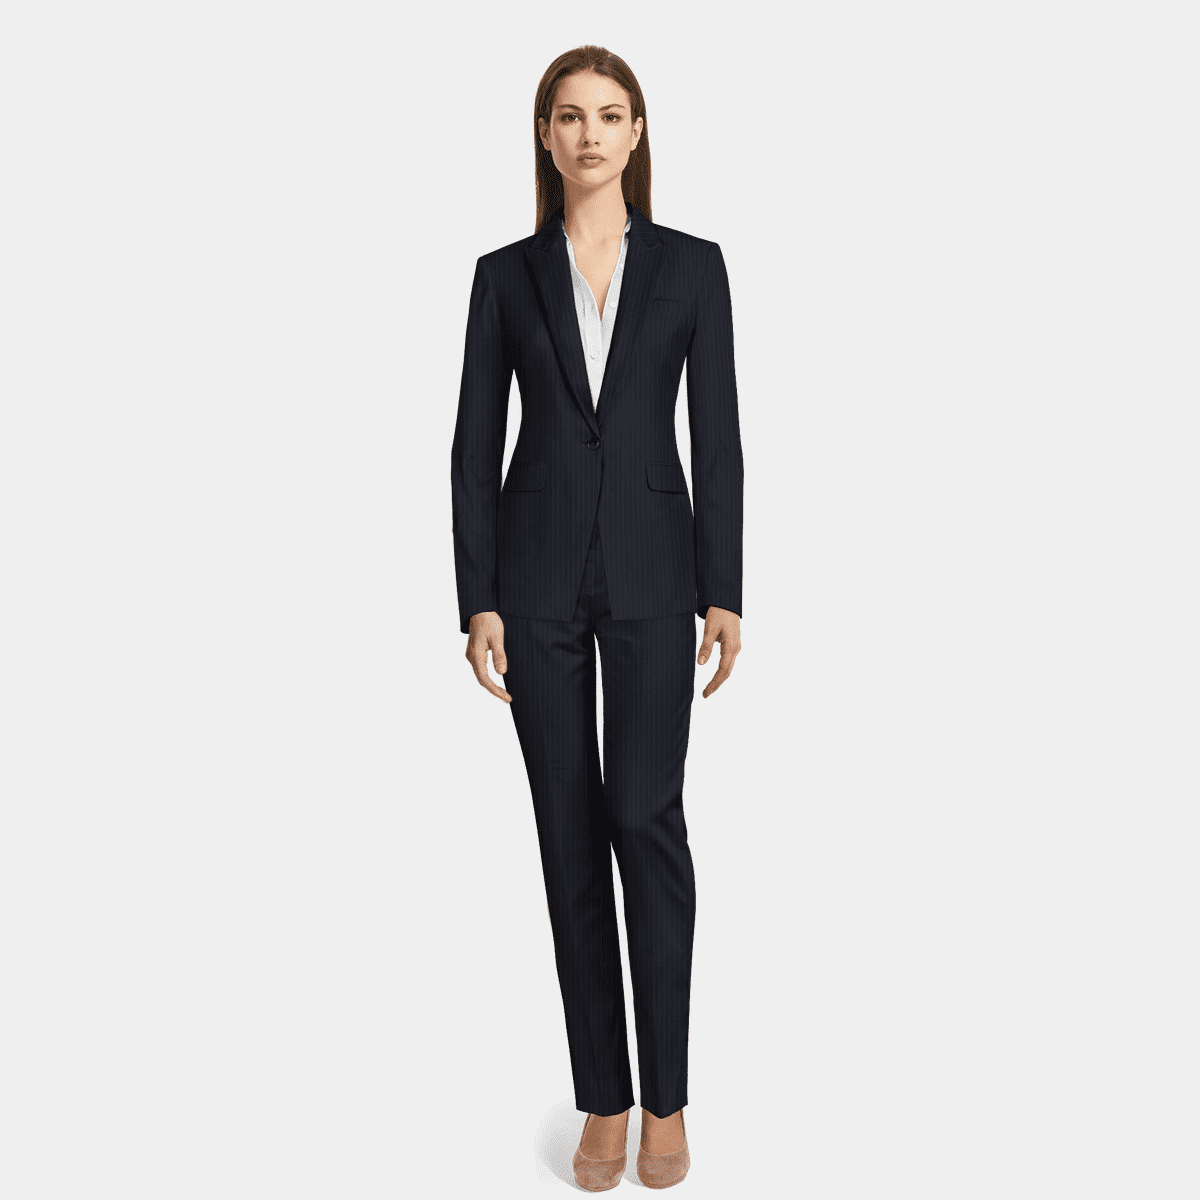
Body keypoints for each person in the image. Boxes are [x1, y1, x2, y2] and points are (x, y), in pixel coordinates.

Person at [450, 44, 743, 1191]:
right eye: (569, 116)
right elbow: (474, 447)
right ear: (545, 134)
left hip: (658, 577)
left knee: (644, 822)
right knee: (568, 837)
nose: (589, 134)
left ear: (637, 133)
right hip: (533, 586)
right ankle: (605, 1099)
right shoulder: (503, 277)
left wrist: (726, 587)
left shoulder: (694, 268)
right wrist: (477, 596)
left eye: (609, 115)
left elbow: (718, 438)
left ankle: (668, 1096)